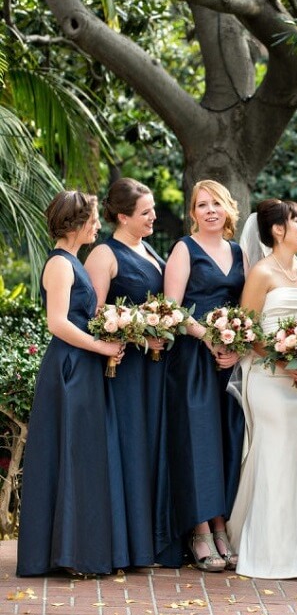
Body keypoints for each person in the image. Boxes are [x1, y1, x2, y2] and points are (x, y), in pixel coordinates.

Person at [17, 191, 124, 577]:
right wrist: (101, 344)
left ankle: (75, 550)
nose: (98, 225)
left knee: (80, 454)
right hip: (70, 368)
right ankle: (70, 554)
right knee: (71, 453)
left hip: (83, 366)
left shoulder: (74, 262)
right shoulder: (61, 265)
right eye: (94, 219)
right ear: (77, 223)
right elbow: (57, 323)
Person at [226, 199, 297, 579]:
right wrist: (285, 363)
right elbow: (246, 334)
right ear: (278, 230)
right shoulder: (262, 273)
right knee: (276, 456)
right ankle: (269, 552)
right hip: (267, 378)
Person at [84, 178, 173, 569]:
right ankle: (126, 545)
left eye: (153, 208)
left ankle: (150, 541)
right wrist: (142, 336)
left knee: (153, 447)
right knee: (131, 449)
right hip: (124, 371)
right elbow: (95, 315)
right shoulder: (104, 254)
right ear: (122, 216)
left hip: (155, 370)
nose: (154, 216)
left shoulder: (149, 248)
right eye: (146, 212)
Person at [163, 179, 246, 571]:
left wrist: (236, 344)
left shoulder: (238, 251)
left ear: (228, 208)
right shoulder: (185, 248)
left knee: (227, 441)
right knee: (197, 442)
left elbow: (247, 306)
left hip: (228, 361)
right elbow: (172, 309)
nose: (210, 210)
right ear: (193, 213)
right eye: (201, 205)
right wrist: (208, 337)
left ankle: (220, 524)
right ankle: (198, 531)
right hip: (193, 359)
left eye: (216, 203)